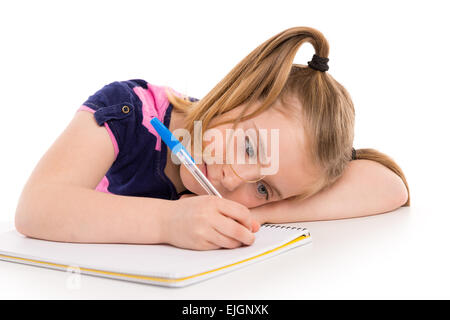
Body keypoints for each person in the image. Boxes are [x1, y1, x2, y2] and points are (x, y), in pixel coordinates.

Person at [14, 26, 409, 250]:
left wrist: (257, 214)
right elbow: (36, 208)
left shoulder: (277, 171)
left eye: (263, 187)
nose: (233, 179)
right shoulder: (128, 112)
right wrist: (170, 223)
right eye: (250, 146)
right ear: (239, 92)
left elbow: (389, 187)